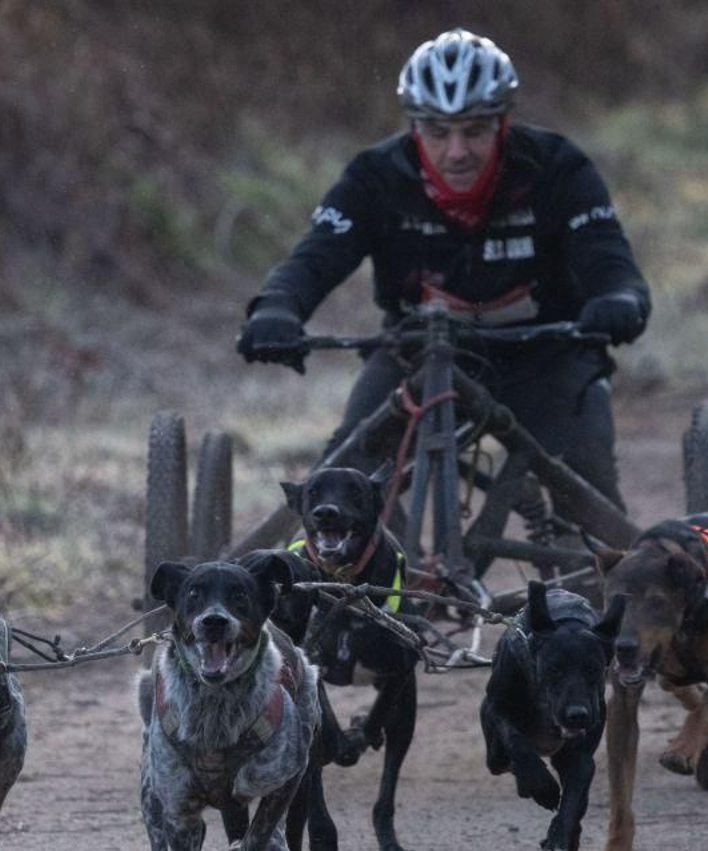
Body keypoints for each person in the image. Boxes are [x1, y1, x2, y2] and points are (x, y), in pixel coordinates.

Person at [236, 27, 651, 513]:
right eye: (438, 132)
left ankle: (592, 561)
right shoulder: (375, 177)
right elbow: (316, 257)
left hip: (547, 353)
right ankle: (350, 560)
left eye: (474, 131)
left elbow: (606, 255)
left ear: (502, 124)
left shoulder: (558, 169)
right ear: (415, 129)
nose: (457, 151)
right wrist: (277, 308)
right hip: (417, 355)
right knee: (347, 478)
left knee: (586, 476)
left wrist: (619, 298)